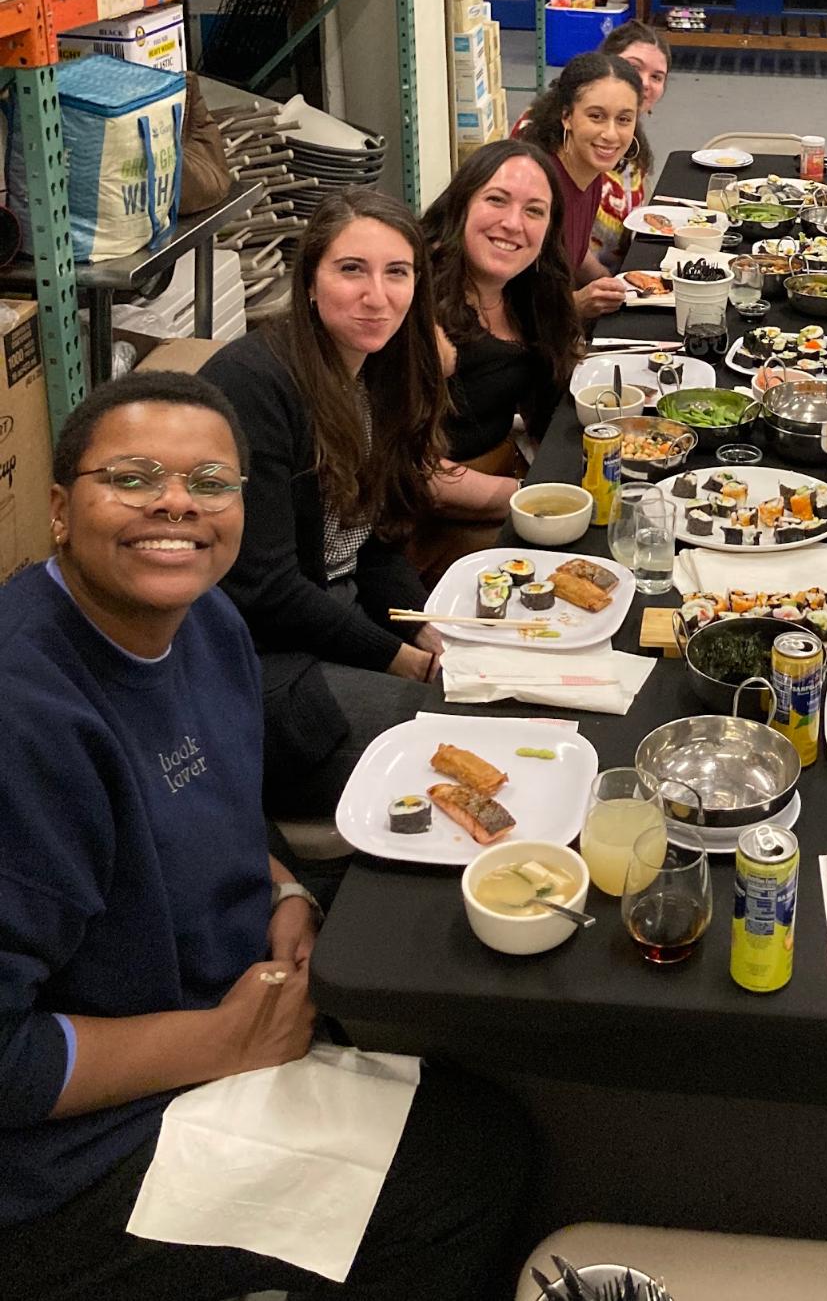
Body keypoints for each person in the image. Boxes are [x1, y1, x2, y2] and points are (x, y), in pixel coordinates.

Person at [0, 370, 523, 1300]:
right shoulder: (26, 718)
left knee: (467, 1017)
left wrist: (279, 885)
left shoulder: (207, 624)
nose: (176, 502)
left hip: (228, 999)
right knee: (467, 1167)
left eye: (210, 482)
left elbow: (216, 806)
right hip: (67, 1161)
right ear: (59, 509)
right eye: (132, 476)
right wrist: (222, 1046)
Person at [203, 190, 449, 815]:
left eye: (397, 273)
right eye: (351, 270)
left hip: (336, 622)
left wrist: (422, 626)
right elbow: (266, 590)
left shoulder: (378, 373)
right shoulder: (255, 384)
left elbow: (378, 543)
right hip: (263, 660)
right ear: (309, 281)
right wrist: (399, 658)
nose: (377, 295)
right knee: (446, 741)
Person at [412, 139, 582, 571]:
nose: (512, 224)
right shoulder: (416, 304)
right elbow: (413, 472)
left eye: (534, 211)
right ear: (460, 204)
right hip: (425, 527)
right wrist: (532, 497)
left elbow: (544, 411)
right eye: (496, 200)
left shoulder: (530, 294)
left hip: (498, 485)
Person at [522, 49, 641, 319]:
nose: (611, 135)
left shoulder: (590, 174)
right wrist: (576, 305)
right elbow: (507, 308)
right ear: (567, 117)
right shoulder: (536, 188)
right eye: (596, 116)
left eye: (623, 119)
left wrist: (610, 280)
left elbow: (571, 250)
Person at [591, 21, 671, 272]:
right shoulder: (564, 133)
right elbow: (560, 237)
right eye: (634, 68)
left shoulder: (633, 140)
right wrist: (606, 283)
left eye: (656, 77)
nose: (645, 83)